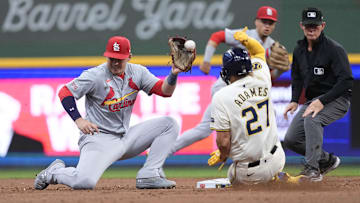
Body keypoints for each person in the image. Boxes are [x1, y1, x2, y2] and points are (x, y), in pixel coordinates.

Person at [34, 36, 185, 190]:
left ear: (129, 57)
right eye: (112, 58)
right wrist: (79, 120)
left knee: (169, 124)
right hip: (99, 139)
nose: (115, 63)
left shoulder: (138, 72)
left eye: (120, 59)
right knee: (84, 182)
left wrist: (173, 74)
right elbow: (65, 92)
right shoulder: (95, 75)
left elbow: (164, 91)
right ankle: (54, 173)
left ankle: (149, 174)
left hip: (125, 138)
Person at [170, 6, 290, 155]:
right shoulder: (244, 35)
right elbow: (217, 36)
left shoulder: (272, 46)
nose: (267, 25)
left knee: (251, 125)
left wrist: (281, 70)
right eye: (264, 21)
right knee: (205, 130)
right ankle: (167, 150)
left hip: (245, 93)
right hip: (224, 89)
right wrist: (206, 61)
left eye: (270, 23)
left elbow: (267, 77)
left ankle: (260, 164)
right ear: (256, 21)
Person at [208, 28, 287, 185]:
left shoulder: (221, 96)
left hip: (252, 172)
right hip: (278, 158)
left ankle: (269, 183)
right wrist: (246, 39)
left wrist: (223, 155)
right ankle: (278, 178)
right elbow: (258, 51)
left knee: (232, 175)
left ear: (227, 71)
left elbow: (223, 143)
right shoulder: (263, 76)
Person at [283, 8, 353, 182]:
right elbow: (297, 76)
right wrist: (294, 100)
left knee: (312, 119)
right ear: (301, 26)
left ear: (323, 25)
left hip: (337, 99)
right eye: (308, 26)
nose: (311, 29)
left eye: (315, 25)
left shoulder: (334, 49)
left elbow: (346, 81)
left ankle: (313, 170)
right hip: (313, 100)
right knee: (291, 139)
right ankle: (327, 160)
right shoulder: (299, 49)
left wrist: (322, 101)